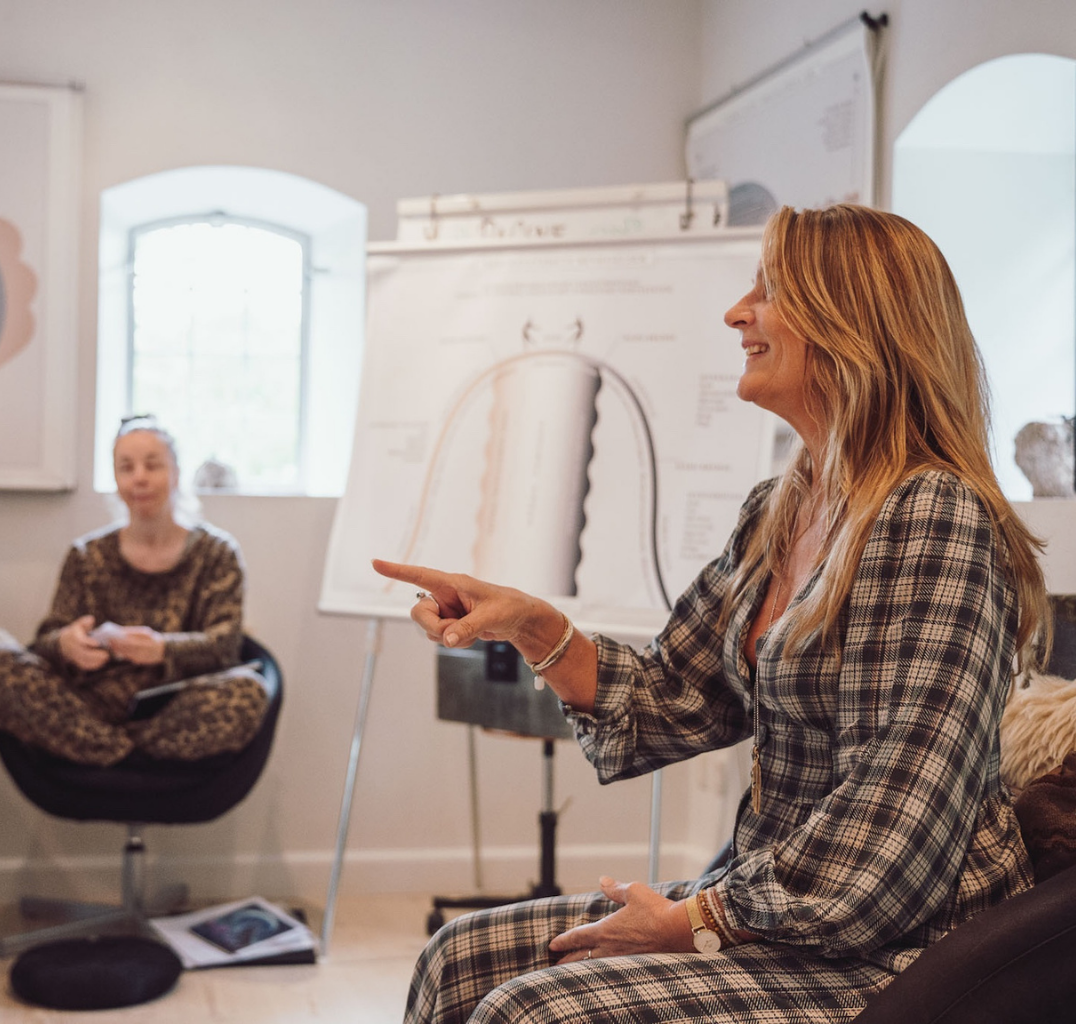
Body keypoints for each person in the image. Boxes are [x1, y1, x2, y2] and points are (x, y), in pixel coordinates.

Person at [374, 204, 1051, 1024]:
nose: (737, 313)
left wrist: (694, 921)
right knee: (457, 957)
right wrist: (531, 625)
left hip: (905, 947)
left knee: (534, 1011)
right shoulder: (782, 508)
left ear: (852, 320)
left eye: (769, 292)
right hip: (779, 907)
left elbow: (896, 819)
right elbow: (666, 699)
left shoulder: (933, 515)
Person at [0, 415, 265, 766]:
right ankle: (122, 753)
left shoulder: (216, 553)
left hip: (175, 707)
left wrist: (162, 649)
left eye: (152, 465)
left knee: (247, 694)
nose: (139, 478)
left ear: (175, 473)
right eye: (126, 467)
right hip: (87, 706)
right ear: (115, 479)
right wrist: (68, 642)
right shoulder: (87, 555)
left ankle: (108, 753)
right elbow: (44, 643)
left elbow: (226, 645)